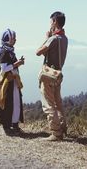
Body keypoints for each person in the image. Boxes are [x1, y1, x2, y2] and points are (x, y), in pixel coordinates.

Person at [36, 11, 68, 141]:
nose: (50, 24)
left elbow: (38, 52)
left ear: (55, 22)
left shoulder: (53, 39)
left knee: (49, 104)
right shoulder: (64, 39)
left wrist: (47, 37)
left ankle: (56, 132)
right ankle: (62, 126)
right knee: (58, 102)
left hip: (49, 74)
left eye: (51, 21)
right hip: (58, 74)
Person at [0, 29, 25, 135]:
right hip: (8, 83)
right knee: (8, 104)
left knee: (16, 103)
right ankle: (7, 126)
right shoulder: (4, 52)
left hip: (13, 81)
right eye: (13, 38)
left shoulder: (9, 51)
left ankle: (14, 124)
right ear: (8, 39)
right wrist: (16, 64)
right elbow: (3, 68)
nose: (15, 40)